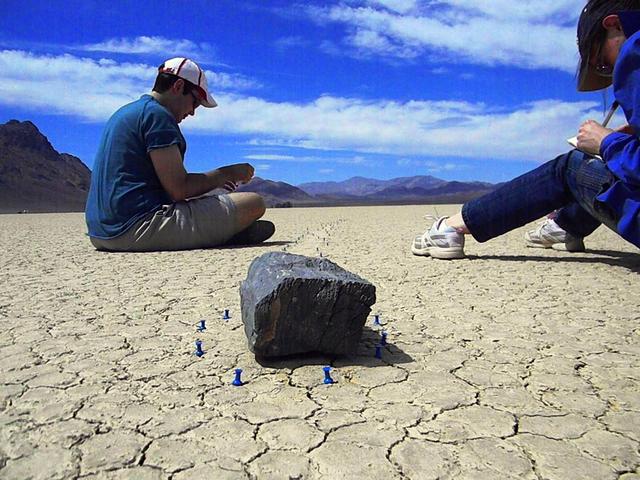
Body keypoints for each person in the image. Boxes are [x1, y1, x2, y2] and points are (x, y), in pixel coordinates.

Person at [412, 0, 640, 259]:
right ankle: (566, 225)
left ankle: (451, 228)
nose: (611, 72)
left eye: (601, 63)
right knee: (599, 167)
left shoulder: (635, 47)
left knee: (569, 167)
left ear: (613, 24)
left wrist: (606, 142)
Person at [85, 57, 274, 252]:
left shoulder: (125, 112)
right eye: (195, 102)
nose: (192, 112)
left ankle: (218, 232)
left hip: (100, 233)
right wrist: (226, 174)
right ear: (178, 86)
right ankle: (223, 234)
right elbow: (179, 189)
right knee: (253, 202)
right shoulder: (157, 116)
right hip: (134, 228)